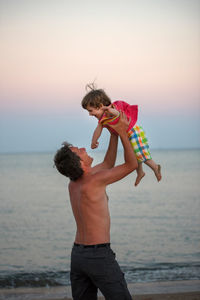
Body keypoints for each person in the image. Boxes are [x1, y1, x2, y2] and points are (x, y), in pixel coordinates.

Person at [54, 112, 138, 300]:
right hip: (98, 255)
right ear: (79, 162)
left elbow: (108, 163)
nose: (84, 148)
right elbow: (132, 164)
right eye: (80, 151)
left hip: (78, 256)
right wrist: (124, 132)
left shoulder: (74, 183)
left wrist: (113, 132)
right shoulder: (94, 180)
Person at [81, 85, 162, 186]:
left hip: (133, 131)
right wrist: (94, 141)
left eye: (90, 110)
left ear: (100, 106)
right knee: (135, 154)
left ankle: (155, 167)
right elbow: (98, 129)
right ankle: (140, 172)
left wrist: (109, 110)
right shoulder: (102, 120)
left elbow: (118, 114)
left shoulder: (109, 110)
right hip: (127, 134)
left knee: (140, 152)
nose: (90, 114)